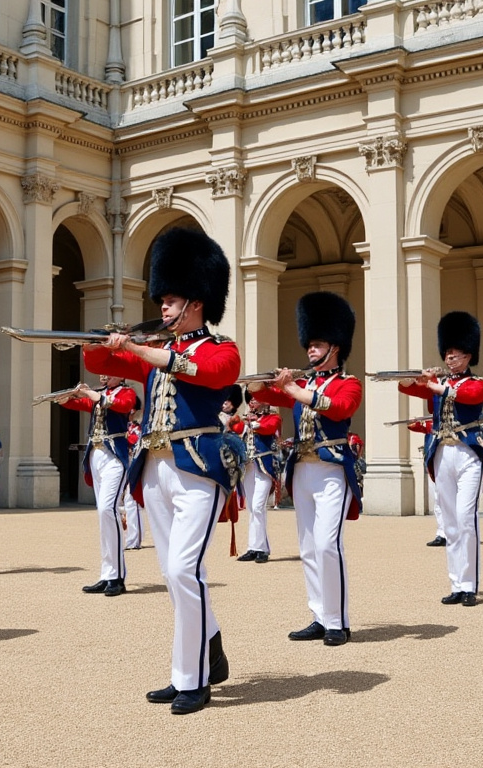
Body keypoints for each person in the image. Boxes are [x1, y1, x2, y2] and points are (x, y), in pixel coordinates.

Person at [82, 227, 237, 715]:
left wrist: (142, 350)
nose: (164, 307)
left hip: (198, 468)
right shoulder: (153, 352)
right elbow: (98, 359)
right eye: (163, 300)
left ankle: (194, 679)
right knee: (174, 574)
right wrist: (107, 340)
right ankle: (201, 656)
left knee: (184, 569)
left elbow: (210, 373)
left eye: (170, 300)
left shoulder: (220, 347)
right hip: (155, 468)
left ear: (196, 302)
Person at [249, 291, 363, 644]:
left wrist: (293, 389)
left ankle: (338, 621)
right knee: (309, 547)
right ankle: (319, 615)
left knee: (328, 545)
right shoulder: (303, 383)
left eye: (318, 345)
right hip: (302, 470)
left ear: (335, 347)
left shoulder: (348, 383)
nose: (311, 350)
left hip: (332, 470)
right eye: (310, 345)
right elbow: (261, 394)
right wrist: (261, 382)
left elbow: (338, 408)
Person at [399, 311, 483, 607]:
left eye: (456, 353)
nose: (450, 358)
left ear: (468, 355)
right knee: (450, 522)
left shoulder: (475, 383)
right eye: (447, 352)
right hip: (442, 453)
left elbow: (469, 397)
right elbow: (406, 387)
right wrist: (418, 377)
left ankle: (470, 584)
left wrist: (434, 385)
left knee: (465, 519)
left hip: (467, 453)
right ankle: (457, 584)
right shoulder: (439, 382)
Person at [59, 374, 137, 596]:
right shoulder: (99, 394)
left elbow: (123, 406)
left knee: (107, 509)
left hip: (114, 456)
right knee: (103, 516)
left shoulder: (126, 392)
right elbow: (72, 404)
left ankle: (117, 577)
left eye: (108, 371)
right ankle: (107, 573)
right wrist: (69, 394)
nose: (103, 376)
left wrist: (91, 394)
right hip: (96, 456)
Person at [230, 394, 282, 563]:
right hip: (248, 466)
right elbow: (236, 428)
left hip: (264, 467)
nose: (252, 400)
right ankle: (255, 547)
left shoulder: (273, 417)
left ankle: (261, 549)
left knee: (258, 506)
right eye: (250, 398)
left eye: (255, 397)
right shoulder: (246, 419)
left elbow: (268, 428)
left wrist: (252, 424)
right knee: (252, 508)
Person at [123, 399, 145, 550]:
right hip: (122, 465)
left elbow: (136, 441)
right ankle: (130, 537)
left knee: (132, 502)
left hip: (133, 465)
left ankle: (134, 539)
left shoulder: (136, 428)